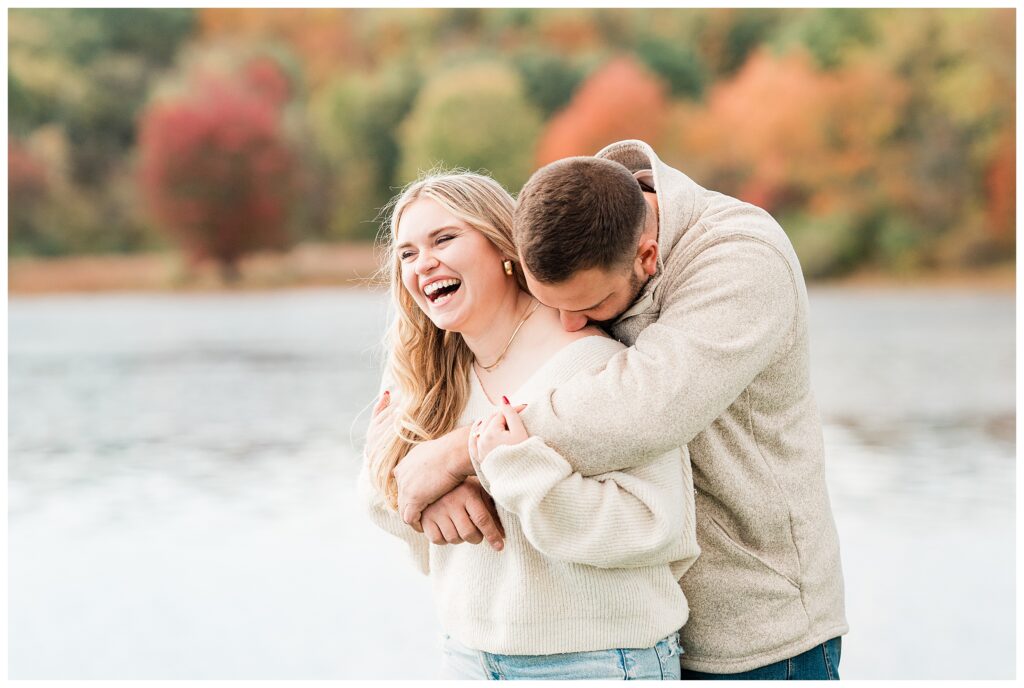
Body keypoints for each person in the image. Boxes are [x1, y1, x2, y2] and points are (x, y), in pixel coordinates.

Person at [391, 141, 848, 680]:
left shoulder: (739, 259)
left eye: (587, 309)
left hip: (754, 625)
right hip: (644, 624)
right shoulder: (575, 223)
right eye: (548, 304)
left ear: (648, 258)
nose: (566, 323)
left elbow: (645, 405)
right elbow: (408, 408)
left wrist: (468, 450)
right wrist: (410, 473)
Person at [357, 170, 700, 680]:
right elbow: (378, 491)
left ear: (503, 245)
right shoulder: (426, 374)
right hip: (469, 657)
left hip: (600, 661)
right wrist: (437, 495)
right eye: (407, 253)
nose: (423, 263)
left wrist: (515, 472)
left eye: (444, 238)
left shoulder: (594, 364)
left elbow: (655, 529)